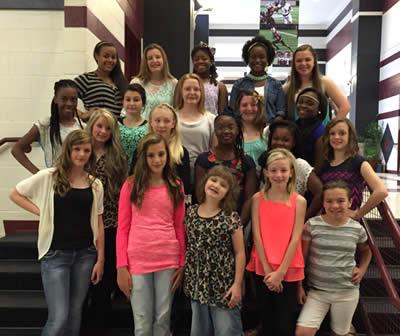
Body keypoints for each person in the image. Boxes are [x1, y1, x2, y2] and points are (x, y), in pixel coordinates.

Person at [9, 130, 104, 336]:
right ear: (68, 150)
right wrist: (41, 211)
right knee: (59, 318)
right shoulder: (49, 176)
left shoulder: (95, 185)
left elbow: (98, 221)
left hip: (85, 254)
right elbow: (15, 194)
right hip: (56, 255)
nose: (81, 154)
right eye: (77, 149)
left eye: (86, 150)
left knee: (75, 314)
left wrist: (100, 259)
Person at [116, 133, 186, 336]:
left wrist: (181, 262)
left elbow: (179, 226)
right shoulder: (131, 185)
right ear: (143, 158)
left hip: (168, 258)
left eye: (161, 154)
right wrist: (121, 266)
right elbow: (122, 228)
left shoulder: (175, 185)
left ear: (167, 155)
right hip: (138, 258)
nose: (157, 160)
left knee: (162, 319)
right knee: (142, 321)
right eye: (151, 155)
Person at [296, 180, 372, 336]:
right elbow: (301, 259)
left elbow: (366, 251)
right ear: (323, 203)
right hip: (317, 291)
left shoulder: (357, 229)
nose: (335, 205)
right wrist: (299, 287)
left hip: (346, 291)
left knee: (339, 333)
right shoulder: (312, 225)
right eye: (329, 201)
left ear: (350, 202)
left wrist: (362, 269)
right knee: (303, 332)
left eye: (340, 201)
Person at [246, 148, 306, 336]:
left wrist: (280, 272)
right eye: (273, 170)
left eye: (283, 170)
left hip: (287, 268)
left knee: (284, 322)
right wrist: (267, 269)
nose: (278, 175)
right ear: (265, 173)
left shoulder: (299, 201)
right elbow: (257, 235)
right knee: (266, 318)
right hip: (262, 266)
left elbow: (296, 238)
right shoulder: (258, 198)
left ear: (291, 172)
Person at [184, 165, 245, 336]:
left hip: (223, 285)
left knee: (226, 330)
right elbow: (188, 246)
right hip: (197, 284)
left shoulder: (230, 217)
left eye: (223, 185)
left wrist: (237, 285)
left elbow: (240, 253)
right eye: (214, 180)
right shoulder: (190, 213)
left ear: (228, 193)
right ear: (205, 182)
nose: (216, 185)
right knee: (199, 331)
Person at [85, 109, 127, 332]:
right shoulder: (80, 152)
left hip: (110, 224)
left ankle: (101, 326)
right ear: (91, 125)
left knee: (105, 280)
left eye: (108, 128)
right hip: (83, 226)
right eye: (99, 126)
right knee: (84, 283)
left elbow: (122, 193)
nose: (103, 131)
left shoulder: (118, 157)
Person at [194, 112, 258, 226]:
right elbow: (200, 195)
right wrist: (212, 222)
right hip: (209, 223)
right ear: (215, 131)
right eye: (221, 127)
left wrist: (238, 226)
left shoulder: (246, 162)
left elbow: (250, 199)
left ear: (238, 130)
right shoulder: (203, 160)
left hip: (238, 222)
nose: (226, 131)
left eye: (230, 127)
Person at [319, 118, 388, 220]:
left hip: (349, 225)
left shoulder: (359, 162)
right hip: (327, 221)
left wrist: (359, 213)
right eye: (332, 133)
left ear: (350, 136)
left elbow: (381, 191)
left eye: (342, 133)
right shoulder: (325, 164)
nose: (336, 137)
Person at [12, 79, 84, 173]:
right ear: (56, 99)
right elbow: (16, 149)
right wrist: (39, 175)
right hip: (55, 183)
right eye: (64, 99)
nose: (69, 103)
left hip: (79, 182)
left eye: (73, 99)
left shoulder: (83, 127)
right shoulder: (45, 125)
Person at [260, 119, 323, 220]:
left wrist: (304, 217)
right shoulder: (266, 162)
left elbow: (320, 192)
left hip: (292, 223)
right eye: (276, 138)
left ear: (293, 143)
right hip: (267, 220)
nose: (280, 143)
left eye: (285, 140)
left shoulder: (300, 165)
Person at [284, 44, 350, 123]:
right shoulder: (288, 87)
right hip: (296, 133)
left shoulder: (325, 82)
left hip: (321, 134)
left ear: (314, 62)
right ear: (294, 64)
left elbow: (345, 106)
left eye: (307, 60)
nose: (303, 63)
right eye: (299, 60)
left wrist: (333, 129)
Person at [229, 35, 285, 123]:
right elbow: (232, 112)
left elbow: (281, 112)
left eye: (262, 57)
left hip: (269, 132)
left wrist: (271, 128)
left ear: (268, 59)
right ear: (248, 59)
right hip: (245, 132)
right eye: (253, 57)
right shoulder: (238, 85)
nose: (257, 60)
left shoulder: (276, 85)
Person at [175, 73, 216, 185]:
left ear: (201, 92)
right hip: (176, 174)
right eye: (187, 89)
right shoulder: (172, 117)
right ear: (181, 91)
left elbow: (214, 151)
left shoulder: (211, 119)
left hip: (203, 174)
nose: (192, 92)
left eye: (196, 89)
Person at [74, 41, 128, 119]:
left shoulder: (120, 82)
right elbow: (64, 98)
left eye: (113, 57)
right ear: (96, 56)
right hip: (95, 130)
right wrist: (83, 115)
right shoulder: (87, 79)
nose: (110, 60)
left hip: (116, 130)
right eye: (106, 56)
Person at [148, 103, 191, 194]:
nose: (162, 125)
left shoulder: (182, 153)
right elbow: (133, 182)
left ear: (173, 123)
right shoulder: (141, 150)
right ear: (151, 122)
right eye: (157, 120)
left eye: (166, 121)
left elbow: (185, 187)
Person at [131, 43, 177, 120]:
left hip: (164, 130)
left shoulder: (174, 83)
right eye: (150, 58)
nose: (154, 60)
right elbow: (128, 109)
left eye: (158, 57)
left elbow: (177, 111)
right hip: (141, 130)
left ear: (164, 60)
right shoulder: (137, 83)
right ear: (145, 62)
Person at [295, 87, 327, 173]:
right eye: (300, 102)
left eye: (310, 103)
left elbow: (318, 168)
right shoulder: (293, 126)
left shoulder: (320, 132)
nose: (303, 105)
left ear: (319, 109)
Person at [191, 42, 228, 115]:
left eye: (204, 59)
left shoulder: (220, 87)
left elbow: (222, 115)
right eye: (196, 59)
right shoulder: (185, 84)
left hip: (212, 125)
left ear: (211, 62)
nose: (200, 61)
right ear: (193, 62)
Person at [118, 83, 148, 172]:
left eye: (136, 100)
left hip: (139, 173)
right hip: (117, 172)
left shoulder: (149, 128)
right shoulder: (115, 125)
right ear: (122, 102)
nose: (131, 103)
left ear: (143, 103)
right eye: (128, 99)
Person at [236, 90, 267, 172]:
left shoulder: (266, 131)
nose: (249, 108)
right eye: (244, 105)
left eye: (253, 105)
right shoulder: (233, 132)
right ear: (238, 108)